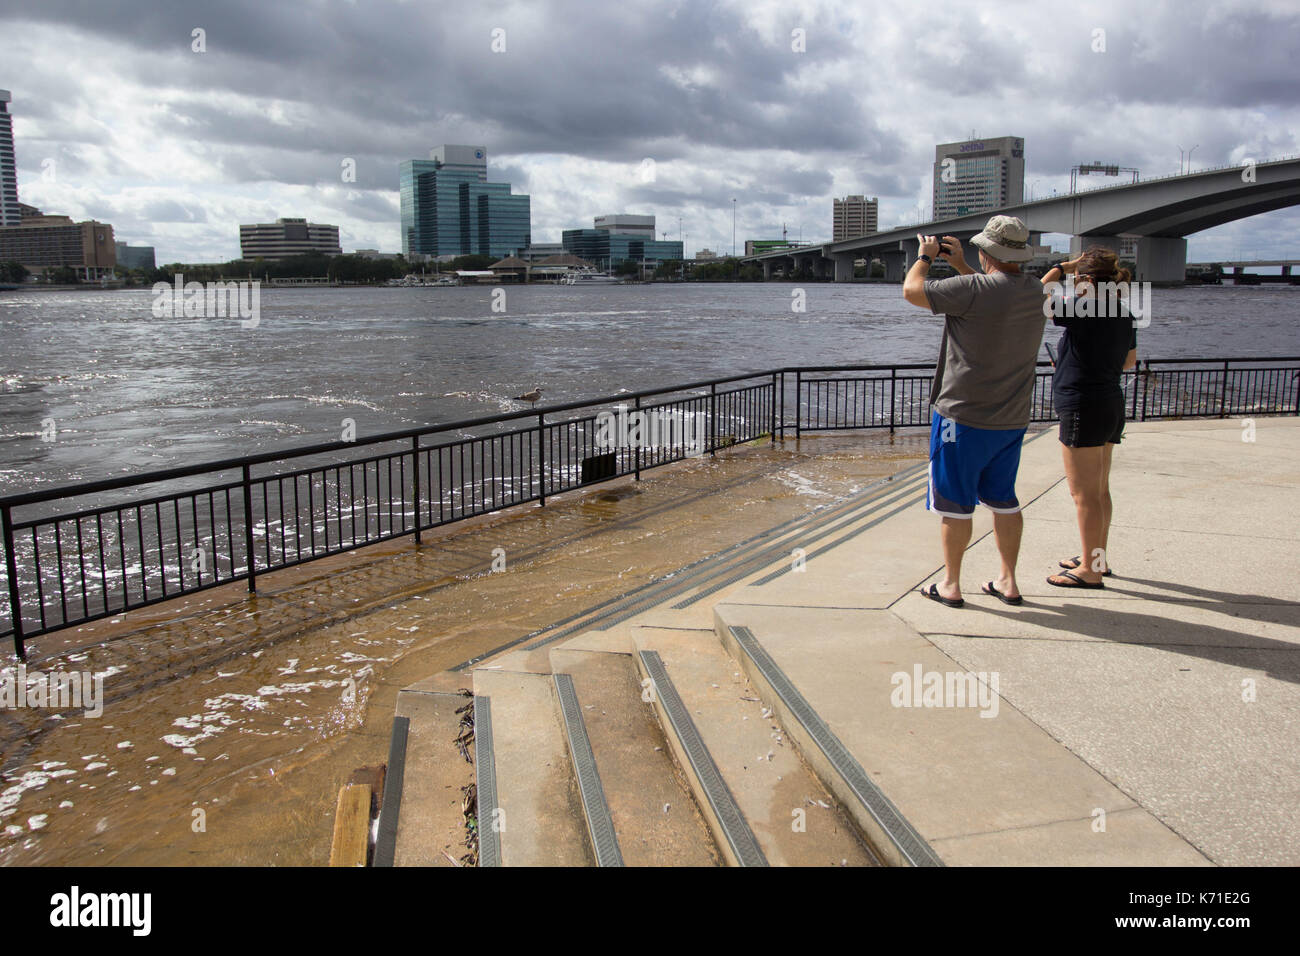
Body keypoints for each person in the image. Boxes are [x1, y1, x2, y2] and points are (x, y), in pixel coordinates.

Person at [902, 215, 1049, 608]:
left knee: (954, 504)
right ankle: (1008, 581)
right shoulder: (1036, 291)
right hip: (1012, 419)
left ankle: (950, 585)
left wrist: (926, 257)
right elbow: (988, 293)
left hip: (961, 417)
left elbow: (912, 291)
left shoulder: (972, 289)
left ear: (985, 252)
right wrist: (963, 267)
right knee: (1004, 499)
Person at [1040, 247, 1138, 588]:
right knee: (1099, 490)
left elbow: (1034, 296)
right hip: (1111, 403)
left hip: (1082, 405)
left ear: (1086, 279)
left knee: (1083, 496)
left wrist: (1060, 267)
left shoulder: (1082, 307)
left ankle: (1090, 572)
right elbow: (1129, 362)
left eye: (1077, 278)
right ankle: (1097, 557)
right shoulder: (1123, 312)